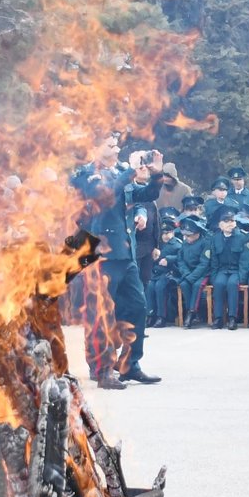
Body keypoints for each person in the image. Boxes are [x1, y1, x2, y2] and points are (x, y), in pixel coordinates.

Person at [70, 138, 161, 387]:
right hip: (100, 254)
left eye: (116, 144)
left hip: (125, 252)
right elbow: (105, 196)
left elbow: (145, 195)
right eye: (111, 145)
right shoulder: (86, 175)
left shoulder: (120, 171)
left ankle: (130, 364)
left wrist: (156, 174)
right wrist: (131, 170)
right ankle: (102, 369)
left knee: (138, 307)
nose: (117, 149)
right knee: (101, 314)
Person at [207, 208, 248, 329]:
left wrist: (242, 277)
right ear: (220, 224)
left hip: (236, 271)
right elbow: (214, 261)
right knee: (218, 284)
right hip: (222, 270)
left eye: (232, 221)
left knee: (232, 284)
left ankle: (232, 318)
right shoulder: (215, 238)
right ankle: (219, 318)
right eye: (226, 221)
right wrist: (214, 277)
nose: (230, 224)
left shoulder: (242, 237)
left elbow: (244, 261)